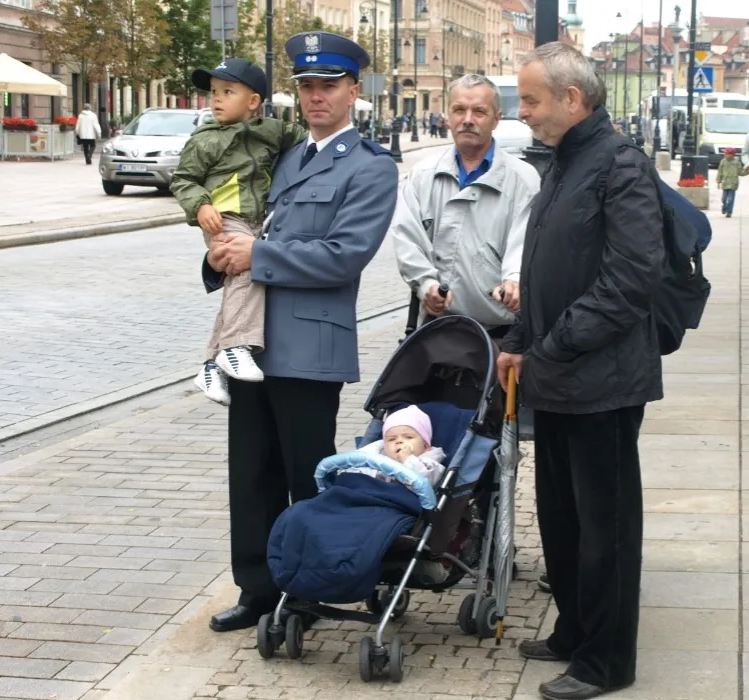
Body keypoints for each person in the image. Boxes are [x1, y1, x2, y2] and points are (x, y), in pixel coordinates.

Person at [203, 31, 399, 633]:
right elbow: (249, 224)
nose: (316, 97)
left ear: (352, 91)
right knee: (251, 472)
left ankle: (305, 592)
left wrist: (256, 253)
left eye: (328, 86)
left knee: (301, 476)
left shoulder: (370, 168)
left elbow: (343, 255)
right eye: (307, 86)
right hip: (253, 340)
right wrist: (219, 255)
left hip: (310, 346)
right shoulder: (286, 156)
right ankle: (257, 590)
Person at [499, 41, 664, 700]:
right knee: (562, 519)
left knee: (608, 528)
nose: (524, 113)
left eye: (532, 100)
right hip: (554, 372)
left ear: (572, 98)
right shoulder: (563, 162)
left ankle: (607, 659)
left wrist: (555, 345)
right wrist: (518, 339)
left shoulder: (619, 164)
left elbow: (631, 279)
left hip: (603, 380)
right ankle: (573, 631)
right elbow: (544, 268)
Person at [171, 58, 308, 405]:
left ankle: (209, 366)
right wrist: (201, 205)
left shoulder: (272, 130)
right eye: (213, 92)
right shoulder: (206, 140)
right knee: (248, 268)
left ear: (253, 102)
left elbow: (307, 140)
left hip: (256, 219)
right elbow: (183, 180)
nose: (215, 99)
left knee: (237, 284)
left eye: (227, 92)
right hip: (223, 216)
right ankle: (234, 347)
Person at [392, 73, 540, 337]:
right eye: (459, 110)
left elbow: (525, 243)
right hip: (437, 331)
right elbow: (407, 239)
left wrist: (514, 279)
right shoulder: (423, 174)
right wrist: (426, 285)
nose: (468, 119)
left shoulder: (524, 180)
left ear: (496, 119)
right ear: (448, 116)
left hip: (501, 333)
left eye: (479, 111)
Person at [717, 146, 743, 217]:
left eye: (727, 153)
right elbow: (720, 172)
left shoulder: (736, 162)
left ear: (732, 155)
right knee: (724, 198)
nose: (725, 155)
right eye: (725, 153)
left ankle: (729, 212)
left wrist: (747, 171)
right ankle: (724, 207)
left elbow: (740, 172)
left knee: (731, 199)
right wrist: (718, 180)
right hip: (725, 183)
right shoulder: (723, 162)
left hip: (733, 183)